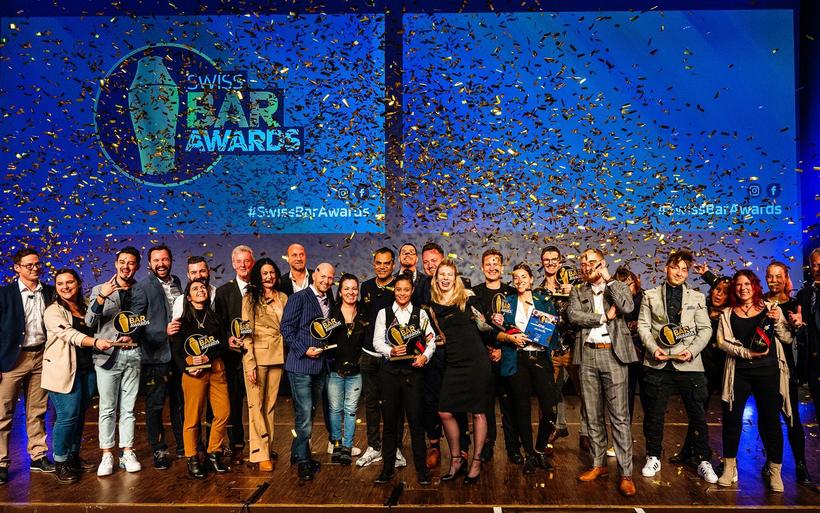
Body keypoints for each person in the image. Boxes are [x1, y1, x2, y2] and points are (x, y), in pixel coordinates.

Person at [636, 250, 717, 484]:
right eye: (675, 268)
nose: (680, 273)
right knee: (654, 415)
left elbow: (705, 329)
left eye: (684, 270)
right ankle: (653, 456)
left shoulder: (697, 297)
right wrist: (654, 350)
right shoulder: (650, 295)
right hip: (658, 363)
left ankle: (703, 459)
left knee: (698, 415)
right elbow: (643, 326)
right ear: (666, 268)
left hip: (689, 363)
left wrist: (690, 351)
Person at [568, 249, 637, 497]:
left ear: (602, 264)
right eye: (583, 263)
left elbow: (627, 306)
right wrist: (603, 317)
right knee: (592, 415)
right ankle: (599, 465)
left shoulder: (617, 286)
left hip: (613, 355)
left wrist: (609, 279)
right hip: (587, 354)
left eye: (592, 262)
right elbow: (574, 316)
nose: (586, 267)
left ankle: (626, 474)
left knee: (619, 417)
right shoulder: (578, 290)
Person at [715, 270, 792, 492]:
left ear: (755, 286)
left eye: (747, 284)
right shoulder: (727, 313)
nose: (743, 288)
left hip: (768, 372)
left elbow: (787, 338)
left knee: (770, 421)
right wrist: (748, 353)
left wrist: (779, 321)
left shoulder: (771, 308)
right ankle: (729, 468)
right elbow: (722, 343)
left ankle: (775, 471)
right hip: (738, 372)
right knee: (732, 420)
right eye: (739, 285)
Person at [43, 269, 114, 483]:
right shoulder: (53, 311)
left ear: (78, 283)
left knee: (79, 415)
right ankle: (61, 461)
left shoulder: (85, 306)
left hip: (87, 370)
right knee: (67, 416)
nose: (65, 287)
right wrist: (95, 342)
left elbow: (100, 326)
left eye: (69, 282)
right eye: (60, 283)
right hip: (63, 371)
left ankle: (73, 456)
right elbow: (69, 334)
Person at [431, 260, 492, 485]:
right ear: (436, 278)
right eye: (442, 274)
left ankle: (476, 461)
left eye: (450, 274)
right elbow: (442, 337)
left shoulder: (468, 297)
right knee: (444, 411)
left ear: (455, 277)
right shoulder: (433, 306)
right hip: (454, 363)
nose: (446, 278)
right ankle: (456, 459)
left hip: (477, 361)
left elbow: (484, 326)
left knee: (478, 412)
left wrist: (492, 324)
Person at [372, 273, 436, 485]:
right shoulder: (384, 313)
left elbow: (431, 340)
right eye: (398, 289)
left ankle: (422, 471)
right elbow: (377, 342)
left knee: (416, 423)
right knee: (390, 423)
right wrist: (390, 351)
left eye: (406, 290)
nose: (402, 293)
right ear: (394, 290)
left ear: (412, 291)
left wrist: (425, 356)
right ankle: (387, 469)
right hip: (390, 374)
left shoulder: (421, 314)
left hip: (413, 374)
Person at [497, 263, 560, 475]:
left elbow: (554, 329)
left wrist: (549, 341)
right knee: (521, 409)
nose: (520, 281)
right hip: (518, 358)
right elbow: (502, 328)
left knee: (550, 408)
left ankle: (540, 449)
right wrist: (505, 328)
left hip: (541, 358)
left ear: (531, 279)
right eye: (516, 277)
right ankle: (530, 455)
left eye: (524, 276)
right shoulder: (508, 302)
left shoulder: (544, 301)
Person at [86, 246, 143, 477]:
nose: (126, 266)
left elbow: (145, 321)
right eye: (122, 262)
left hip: (133, 354)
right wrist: (102, 296)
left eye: (131, 262)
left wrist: (134, 335)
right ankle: (107, 454)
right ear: (116, 263)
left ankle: (127, 452)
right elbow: (90, 321)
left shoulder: (141, 290)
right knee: (107, 408)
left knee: (129, 408)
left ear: (137, 266)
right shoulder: (100, 289)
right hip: (106, 356)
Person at [0, 248, 56, 484]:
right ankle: (1, 462)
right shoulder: (5, 294)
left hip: (41, 356)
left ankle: (38, 455)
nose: (35, 268)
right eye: (29, 265)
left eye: (37, 264)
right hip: (12, 359)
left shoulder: (50, 292)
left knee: (38, 410)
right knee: (3, 412)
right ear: (17, 268)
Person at [170, 279, 230, 479]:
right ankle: (192, 457)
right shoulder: (181, 322)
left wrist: (208, 357)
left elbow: (223, 345)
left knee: (223, 412)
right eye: (195, 288)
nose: (200, 290)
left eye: (203, 287)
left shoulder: (217, 318)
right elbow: (176, 352)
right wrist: (187, 368)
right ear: (188, 297)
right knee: (193, 416)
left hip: (216, 368)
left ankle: (214, 452)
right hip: (193, 371)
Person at [280, 263, 335, 482]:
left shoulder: (329, 300)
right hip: (300, 365)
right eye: (323, 276)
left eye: (330, 278)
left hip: (319, 366)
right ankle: (303, 461)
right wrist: (304, 350)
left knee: (309, 413)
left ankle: (297, 453)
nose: (326, 281)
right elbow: (286, 328)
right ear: (314, 275)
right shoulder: (299, 298)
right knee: (304, 415)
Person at [130, 244, 184, 469]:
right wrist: (163, 332)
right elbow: (136, 324)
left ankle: (183, 446)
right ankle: (159, 450)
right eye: (156, 260)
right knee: (155, 406)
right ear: (149, 264)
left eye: (165, 259)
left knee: (180, 403)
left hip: (178, 355)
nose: (161, 264)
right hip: (155, 356)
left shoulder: (177, 282)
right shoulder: (141, 287)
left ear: (171, 260)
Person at [763, 262, 814, 488]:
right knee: (767, 419)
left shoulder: (795, 304)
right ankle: (771, 462)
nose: (773, 281)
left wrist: (799, 326)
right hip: (764, 368)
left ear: (786, 278)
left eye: (778, 276)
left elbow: (801, 337)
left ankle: (801, 465)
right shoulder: (759, 302)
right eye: (770, 276)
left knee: (792, 419)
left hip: (787, 369)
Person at [470, 249, 521, 464]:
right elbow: (476, 326)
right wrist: (489, 349)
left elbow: (517, 324)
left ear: (502, 267)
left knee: (510, 405)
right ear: (482, 267)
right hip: (484, 358)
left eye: (496, 263)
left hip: (507, 356)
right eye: (488, 264)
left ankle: (513, 447)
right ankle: (487, 445)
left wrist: (502, 349)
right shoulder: (474, 294)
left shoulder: (512, 293)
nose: (492, 267)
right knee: (486, 405)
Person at [540, 246, 589, 454]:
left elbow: (587, 312)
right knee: (551, 393)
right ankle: (557, 427)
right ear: (542, 263)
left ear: (560, 261)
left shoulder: (577, 286)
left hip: (574, 347)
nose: (551, 263)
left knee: (585, 392)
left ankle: (586, 433)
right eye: (546, 260)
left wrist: (573, 294)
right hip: (551, 349)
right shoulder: (539, 291)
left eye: (554, 259)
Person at [241, 258, 288, 471]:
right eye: (264, 273)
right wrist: (249, 363)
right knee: (256, 406)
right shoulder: (250, 298)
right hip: (257, 357)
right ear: (258, 276)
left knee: (270, 405)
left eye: (272, 272)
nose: (269, 277)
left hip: (278, 355)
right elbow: (245, 332)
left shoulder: (283, 297)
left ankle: (267, 448)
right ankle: (259, 454)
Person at [213, 244, 255, 461]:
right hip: (232, 359)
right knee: (234, 405)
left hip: (256, 356)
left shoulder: (260, 289)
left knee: (258, 404)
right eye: (239, 261)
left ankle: (260, 446)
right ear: (233, 264)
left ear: (252, 263)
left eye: (246, 261)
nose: (243, 265)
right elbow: (218, 325)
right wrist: (227, 338)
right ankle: (237, 445)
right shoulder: (223, 292)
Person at [356, 248, 397, 467]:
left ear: (393, 265)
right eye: (379, 263)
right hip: (369, 355)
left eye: (386, 263)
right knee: (371, 403)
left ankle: (394, 447)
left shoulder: (399, 286)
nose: (382, 267)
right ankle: (374, 446)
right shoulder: (366, 287)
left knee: (393, 404)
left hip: (392, 356)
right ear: (373, 264)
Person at [326, 274, 366, 465]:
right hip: (335, 370)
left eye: (354, 288)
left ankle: (347, 447)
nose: (351, 292)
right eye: (346, 288)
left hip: (356, 371)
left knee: (350, 410)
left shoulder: (364, 312)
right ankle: (336, 445)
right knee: (335, 409)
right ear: (340, 292)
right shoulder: (332, 313)